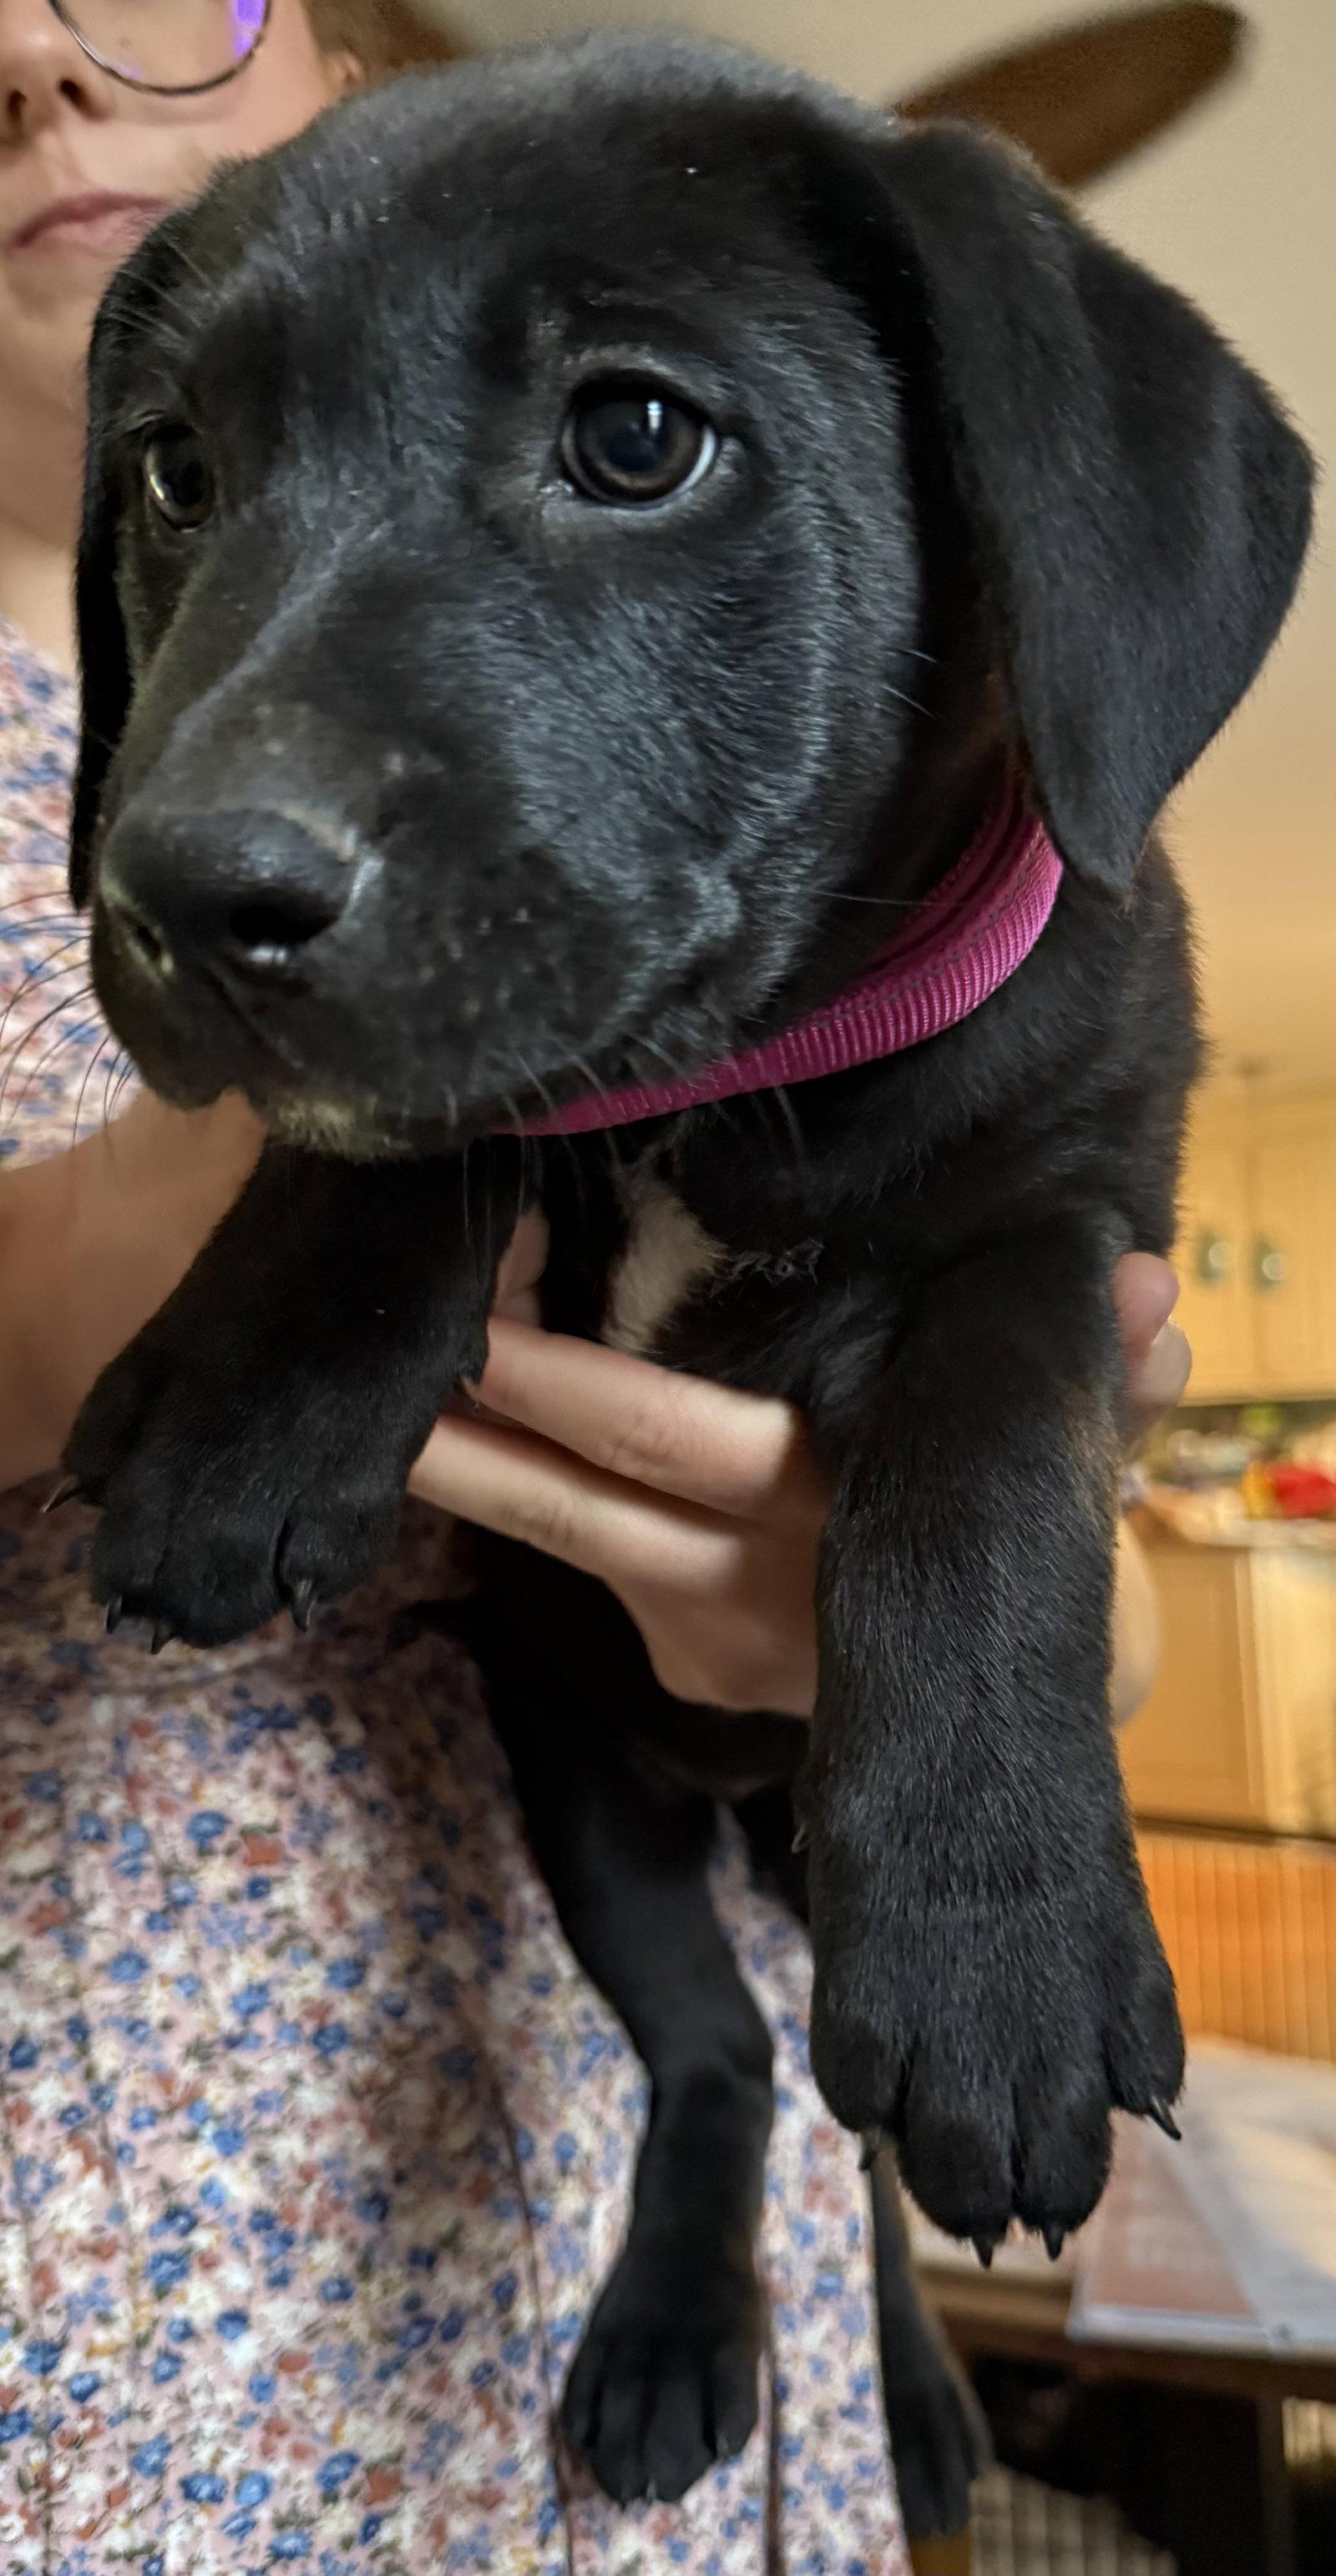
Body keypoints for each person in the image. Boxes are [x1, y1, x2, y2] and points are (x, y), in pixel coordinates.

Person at [0, 1, 1191, 2562]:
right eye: (184, 478)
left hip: (623, 2195)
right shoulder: (165, 766)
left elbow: (1053, 1311)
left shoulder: (1007, 932)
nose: (38, 63)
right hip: (146, 2338)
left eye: (630, 433)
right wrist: (180, 1241)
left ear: (332, 60)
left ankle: (800, 2222)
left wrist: (1009, 1640)